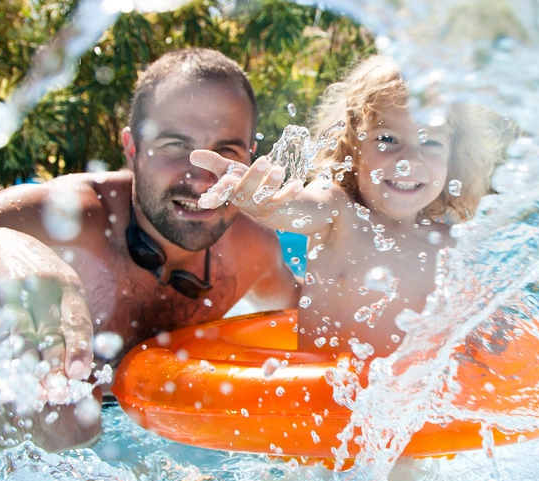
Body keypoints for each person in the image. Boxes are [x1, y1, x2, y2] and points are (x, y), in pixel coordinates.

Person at [0, 48, 301, 451]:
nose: (202, 177)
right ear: (132, 149)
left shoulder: (253, 249)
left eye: (225, 150)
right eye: (176, 146)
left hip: (142, 439)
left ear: (250, 155)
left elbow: (315, 317)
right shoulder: (64, 219)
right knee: (66, 420)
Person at [192, 54, 511, 358]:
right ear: (353, 148)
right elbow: (300, 207)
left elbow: (477, 336)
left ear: (453, 160)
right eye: (387, 139)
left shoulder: (452, 246)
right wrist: (266, 204)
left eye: (430, 142)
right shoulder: (339, 211)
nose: (409, 160)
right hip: (323, 401)